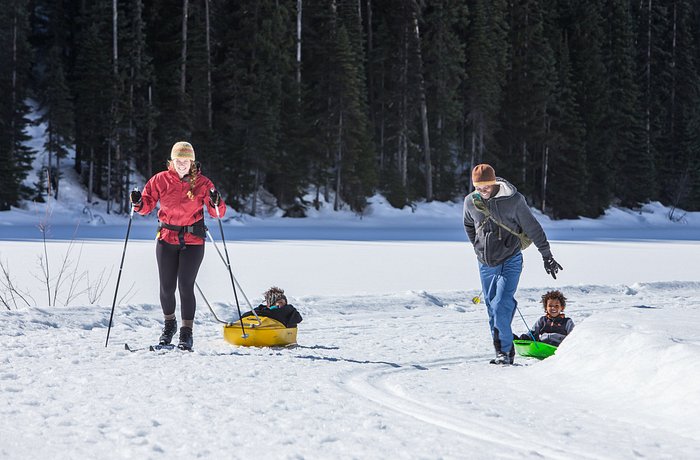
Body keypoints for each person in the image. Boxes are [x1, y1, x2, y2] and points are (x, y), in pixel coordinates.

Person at [129, 141, 225, 350]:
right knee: (166, 287)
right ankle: (169, 325)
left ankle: (186, 332)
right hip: (166, 237)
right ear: (172, 161)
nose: (182, 165)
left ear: (192, 161)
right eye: (178, 161)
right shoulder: (160, 180)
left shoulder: (202, 183)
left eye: (186, 161)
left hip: (193, 240)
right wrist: (137, 202)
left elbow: (217, 212)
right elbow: (146, 206)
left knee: (185, 285)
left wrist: (216, 201)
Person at [463, 164, 562, 365]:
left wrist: (547, 255)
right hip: (485, 263)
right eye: (478, 188)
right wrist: (477, 246)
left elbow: (533, 228)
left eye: (486, 187)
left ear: (494, 182)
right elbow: (468, 224)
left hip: (510, 259)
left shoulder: (514, 200)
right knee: (492, 307)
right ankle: (500, 348)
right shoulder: (471, 202)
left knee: (501, 304)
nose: (482, 192)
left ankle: (505, 353)